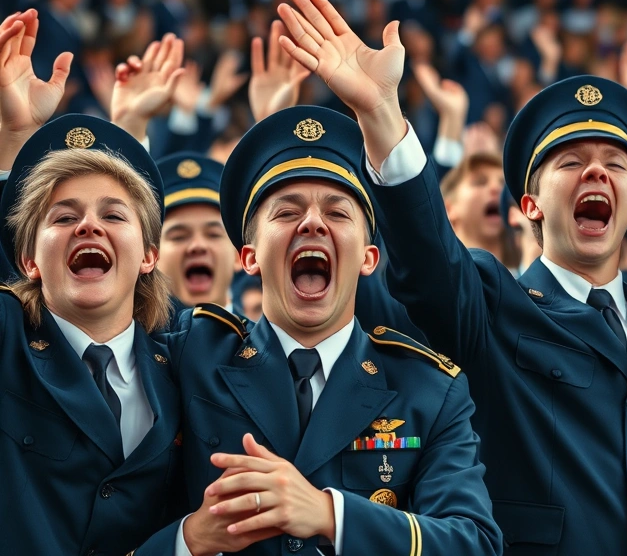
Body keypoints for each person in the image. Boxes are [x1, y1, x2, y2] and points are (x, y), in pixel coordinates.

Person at [276, 0, 627, 554]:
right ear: (529, 205)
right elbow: (429, 263)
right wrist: (382, 115)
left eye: (614, 164)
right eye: (570, 162)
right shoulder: (495, 302)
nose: (595, 172)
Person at [132, 105, 500, 556]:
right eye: (286, 212)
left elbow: (474, 542)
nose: (312, 222)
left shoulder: (429, 388)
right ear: (247, 257)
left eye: (338, 212)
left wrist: (331, 516)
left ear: (368, 259)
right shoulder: (192, 357)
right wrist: (187, 541)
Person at [0, 112, 183, 554]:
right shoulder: (7, 341)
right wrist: (10, 138)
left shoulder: (188, 360)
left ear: (149, 255)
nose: (88, 226)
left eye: (114, 215)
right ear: (29, 262)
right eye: (63, 218)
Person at [156, 152, 240, 317]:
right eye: (178, 236)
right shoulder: (132, 342)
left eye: (213, 234)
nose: (198, 246)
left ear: (239, 255)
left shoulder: (265, 342)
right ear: (151, 257)